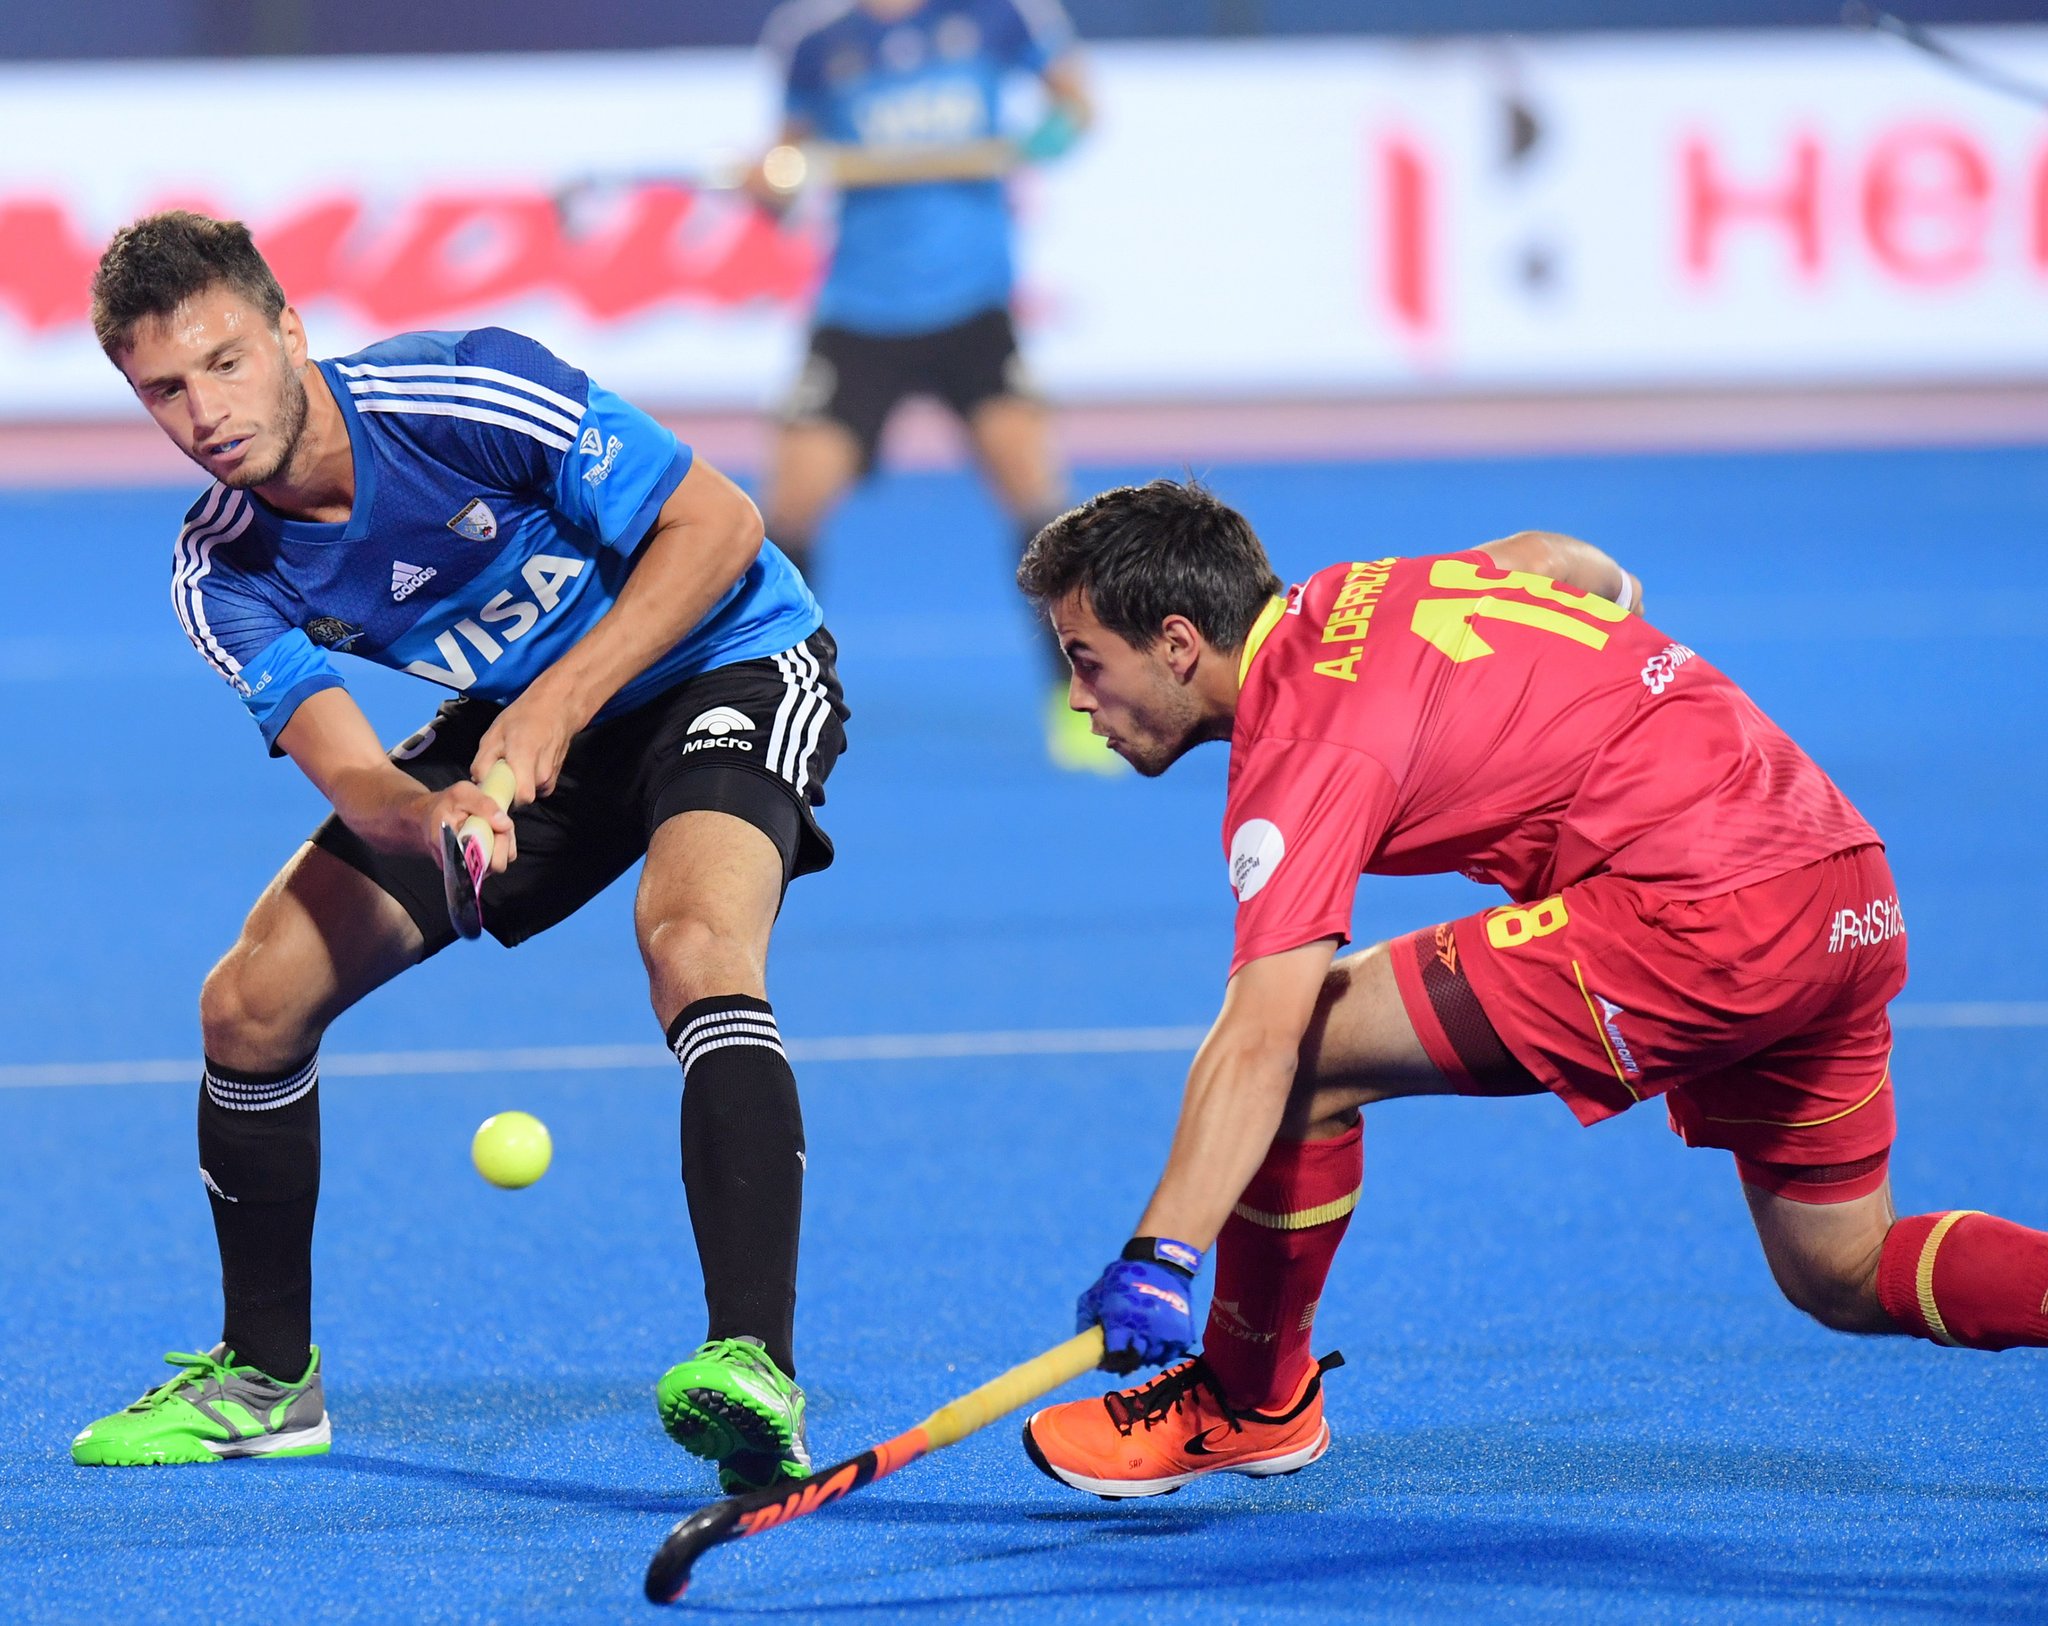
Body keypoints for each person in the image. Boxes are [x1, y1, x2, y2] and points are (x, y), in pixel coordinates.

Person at [1013, 478, 2048, 1499]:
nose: (1077, 698)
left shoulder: (1303, 746)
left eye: (1085, 660)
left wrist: (1161, 1254)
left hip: (1701, 917)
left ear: (1179, 642)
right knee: (1845, 1269)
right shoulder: (1371, 588)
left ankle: (1249, 1402)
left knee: (1311, 1052)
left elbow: (1259, 1041)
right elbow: (1562, 561)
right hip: (1841, 880)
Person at [69, 211, 849, 1493]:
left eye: (224, 362)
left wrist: (559, 701)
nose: (203, 412)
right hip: (519, 725)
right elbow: (358, 776)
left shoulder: (461, 393)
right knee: (251, 1000)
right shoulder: (222, 570)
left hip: (728, 661)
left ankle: (752, 1366)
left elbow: (717, 525)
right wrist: (427, 816)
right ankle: (265, 1380)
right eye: (163, 389)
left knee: (692, 940)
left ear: (289, 333)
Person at [754, 0, 1111, 771]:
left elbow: (1077, 105)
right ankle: (762, 695)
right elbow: (783, 172)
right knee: (791, 508)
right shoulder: (815, 38)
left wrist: (1037, 141)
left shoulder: (997, 13)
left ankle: (1080, 694)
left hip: (973, 312)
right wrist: (769, 183)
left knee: (1040, 500)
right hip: (859, 316)